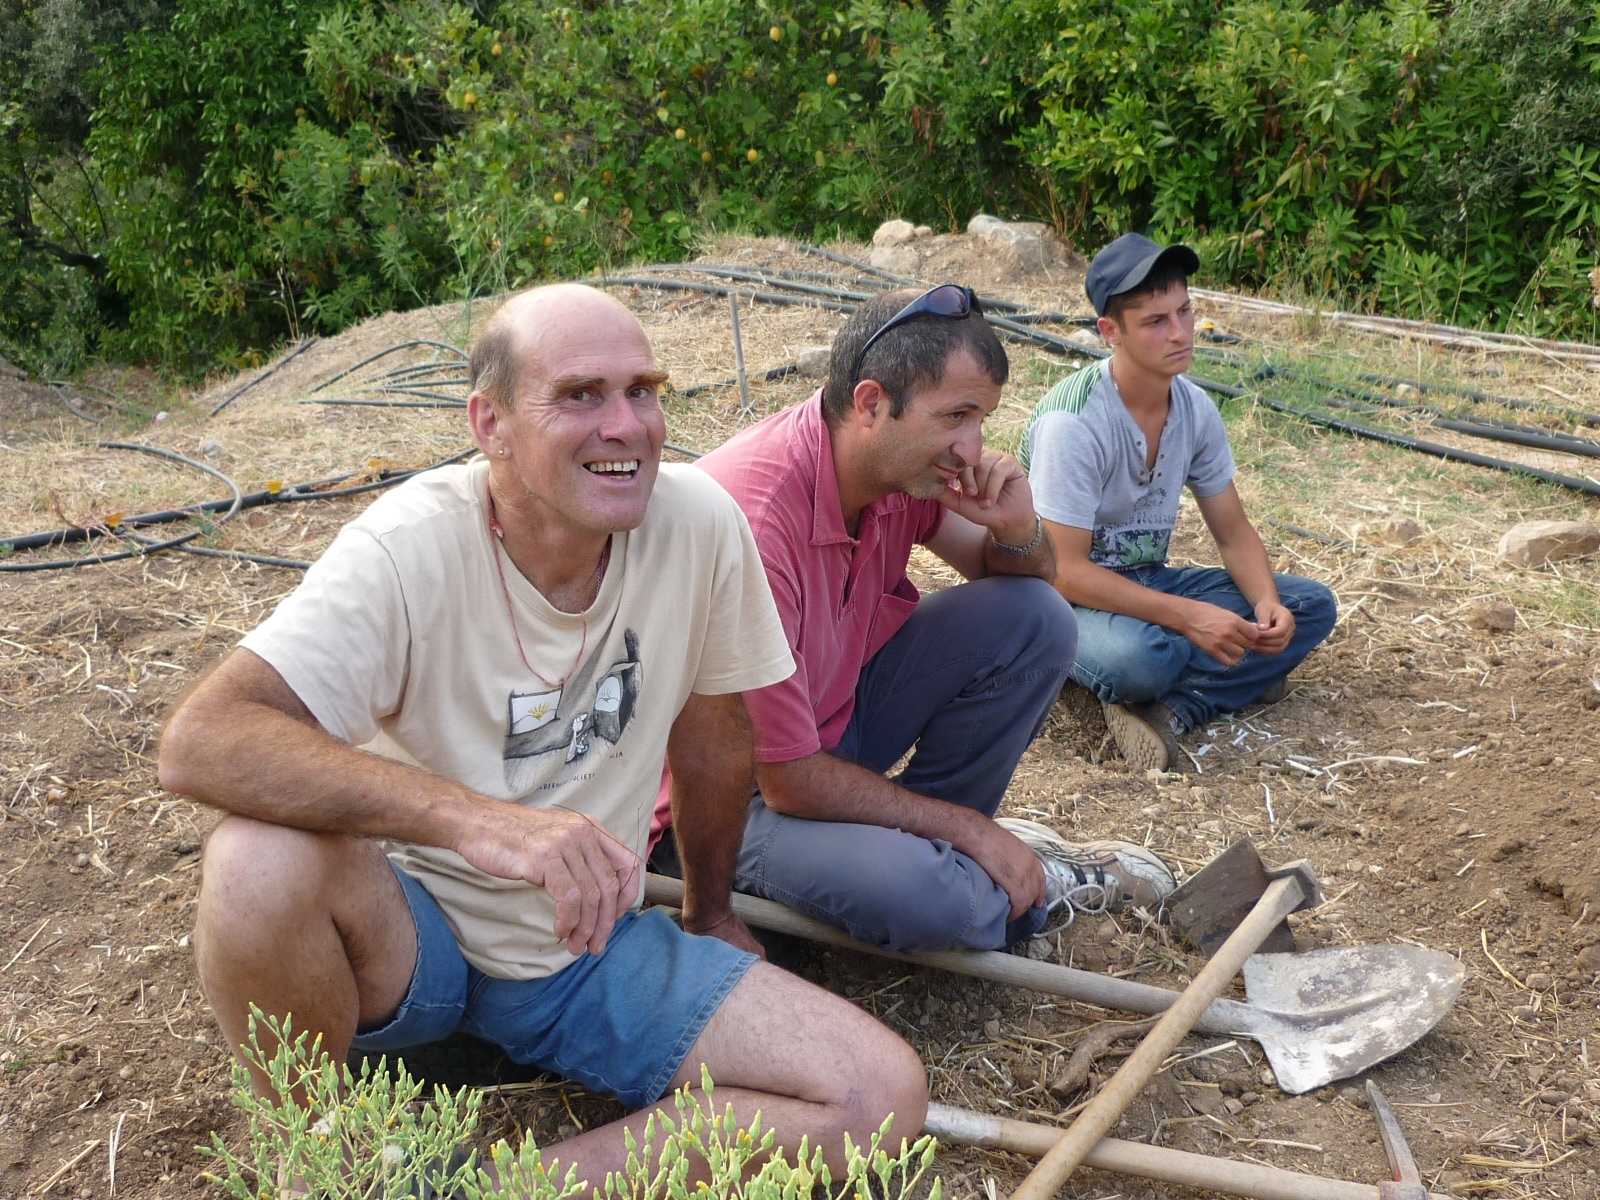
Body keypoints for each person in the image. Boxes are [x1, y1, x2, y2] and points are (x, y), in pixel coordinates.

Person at [157, 284, 927, 1188]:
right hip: (411, 938)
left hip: (584, 949)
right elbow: (201, 741)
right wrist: (472, 820)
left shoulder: (699, 525)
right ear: (490, 423)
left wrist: (710, 909)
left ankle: (502, 1189)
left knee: (880, 1097)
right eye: (579, 395)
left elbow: (715, 726)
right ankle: (316, 1165)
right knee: (254, 860)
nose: (626, 425)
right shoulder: (409, 546)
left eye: (643, 390)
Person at [651, 284, 1175, 956]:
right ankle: (992, 880)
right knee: (939, 906)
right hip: (723, 806)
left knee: (1035, 618)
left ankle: (955, 861)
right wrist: (970, 829)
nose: (971, 447)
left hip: (824, 739)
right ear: (871, 403)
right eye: (955, 416)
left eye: (982, 418)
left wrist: (1018, 527)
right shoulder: (756, 519)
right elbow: (787, 780)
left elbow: (1023, 583)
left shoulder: (894, 470)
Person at [1022, 234, 1338, 772]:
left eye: (1185, 312)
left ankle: (1172, 708)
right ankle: (1169, 677)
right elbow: (1063, 573)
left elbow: (1233, 533)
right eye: (1155, 322)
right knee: (1145, 657)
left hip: (1146, 582)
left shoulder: (1195, 408)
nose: (1180, 333)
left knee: (1309, 607)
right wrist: (1192, 618)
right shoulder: (1072, 423)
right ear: (1110, 333)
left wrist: (1266, 604)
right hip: (1061, 603)